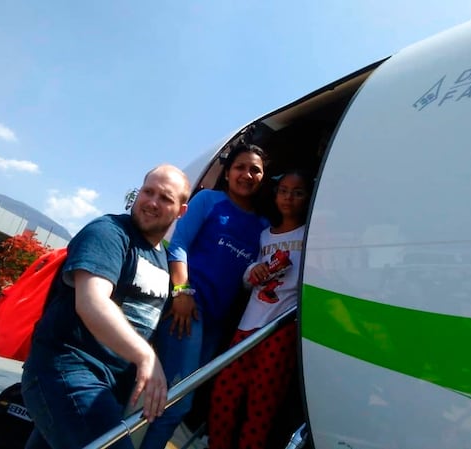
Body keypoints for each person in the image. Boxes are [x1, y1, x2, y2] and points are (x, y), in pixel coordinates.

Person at [20, 164, 190, 449]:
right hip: (68, 372)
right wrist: (145, 357)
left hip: (109, 388)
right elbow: (92, 301)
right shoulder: (109, 232)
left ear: (181, 211)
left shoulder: (162, 258)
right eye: (148, 192)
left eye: (165, 198)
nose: (151, 202)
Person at [140, 142, 269, 449]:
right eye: (240, 167)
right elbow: (179, 244)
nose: (247, 174)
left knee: (176, 398)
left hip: (216, 322)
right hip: (187, 310)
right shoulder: (209, 201)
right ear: (227, 173)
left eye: (256, 170)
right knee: (177, 401)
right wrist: (182, 292)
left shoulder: (264, 227)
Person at [208, 169, 313, 449]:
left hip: (280, 327)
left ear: (308, 197)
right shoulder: (265, 234)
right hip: (248, 324)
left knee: (261, 403)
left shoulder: (311, 235)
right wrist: (254, 271)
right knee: (225, 392)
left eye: (298, 192)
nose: (289, 197)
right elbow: (247, 278)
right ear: (275, 194)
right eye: (283, 191)